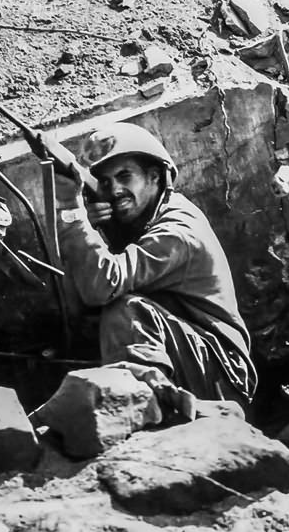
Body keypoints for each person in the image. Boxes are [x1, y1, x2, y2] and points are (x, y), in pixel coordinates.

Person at [56, 122, 256, 404]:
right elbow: (79, 305)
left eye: (125, 176)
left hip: (222, 374)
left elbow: (102, 287)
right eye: (105, 182)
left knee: (125, 312)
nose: (115, 190)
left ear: (154, 177)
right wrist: (88, 230)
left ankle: (148, 413)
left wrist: (71, 214)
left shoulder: (176, 232)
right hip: (189, 355)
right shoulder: (135, 222)